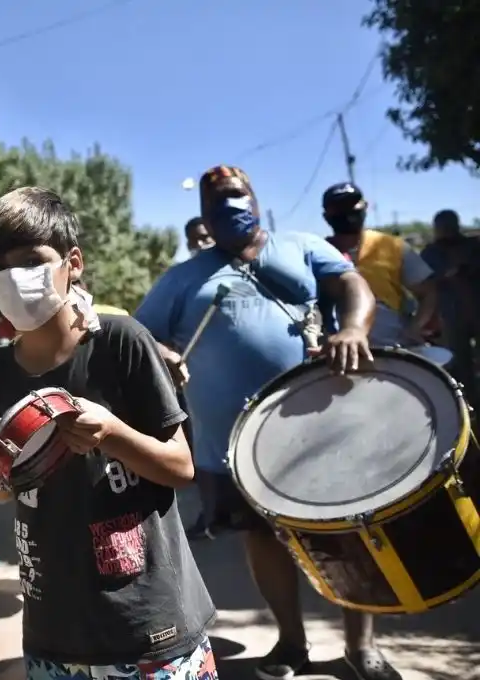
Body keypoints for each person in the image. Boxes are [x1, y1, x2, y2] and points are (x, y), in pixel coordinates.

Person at [136, 166, 398, 680]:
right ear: (204, 217)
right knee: (262, 537)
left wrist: (351, 329)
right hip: (236, 441)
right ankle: (291, 641)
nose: (229, 205)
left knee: (349, 531)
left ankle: (361, 647)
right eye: (216, 202)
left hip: (321, 422)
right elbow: (141, 334)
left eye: (236, 194)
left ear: (254, 197)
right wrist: (163, 354)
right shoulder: (185, 276)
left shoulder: (299, 247)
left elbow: (353, 286)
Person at [0, 186, 218, 680]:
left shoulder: (120, 342)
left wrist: (112, 433)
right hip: (53, 633)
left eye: (29, 260)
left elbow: (181, 467)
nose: (11, 277)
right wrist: (0, 458)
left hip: (149, 626)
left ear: (72, 262)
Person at [322, 183, 438, 347]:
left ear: (365, 207)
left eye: (352, 205)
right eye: (340, 208)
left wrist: (415, 327)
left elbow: (428, 291)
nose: (347, 212)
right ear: (326, 216)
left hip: (393, 349)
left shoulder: (392, 247)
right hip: (337, 356)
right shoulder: (317, 253)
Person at [421, 209, 480, 405]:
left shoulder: (474, 246)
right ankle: (468, 406)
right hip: (451, 316)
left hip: (473, 310)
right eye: (442, 227)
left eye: (449, 226)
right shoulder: (430, 252)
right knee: (461, 366)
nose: (446, 231)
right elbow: (426, 282)